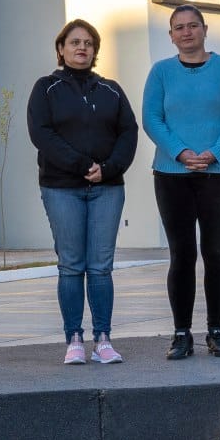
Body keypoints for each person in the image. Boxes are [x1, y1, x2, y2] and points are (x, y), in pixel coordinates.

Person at [27, 19, 138, 365]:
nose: (82, 48)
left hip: (107, 189)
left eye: (88, 43)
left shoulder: (111, 90)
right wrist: (81, 165)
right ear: (61, 49)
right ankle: (74, 338)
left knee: (101, 267)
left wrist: (108, 168)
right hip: (62, 188)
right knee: (71, 265)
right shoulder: (46, 88)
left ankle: (103, 339)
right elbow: (41, 134)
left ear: (95, 51)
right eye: (75, 42)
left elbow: (128, 133)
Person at [142, 5, 220, 360]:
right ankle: (181, 334)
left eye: (192, 26)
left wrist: (215, 153)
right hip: (172, 176)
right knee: (182, 255)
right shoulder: (160, 72)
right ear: (171, 35)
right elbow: (152, 119)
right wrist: (181, 152)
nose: (186, 32)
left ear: (205, 29)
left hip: (219, 175)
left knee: (216, 253)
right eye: (179, 27)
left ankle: (216, 331)